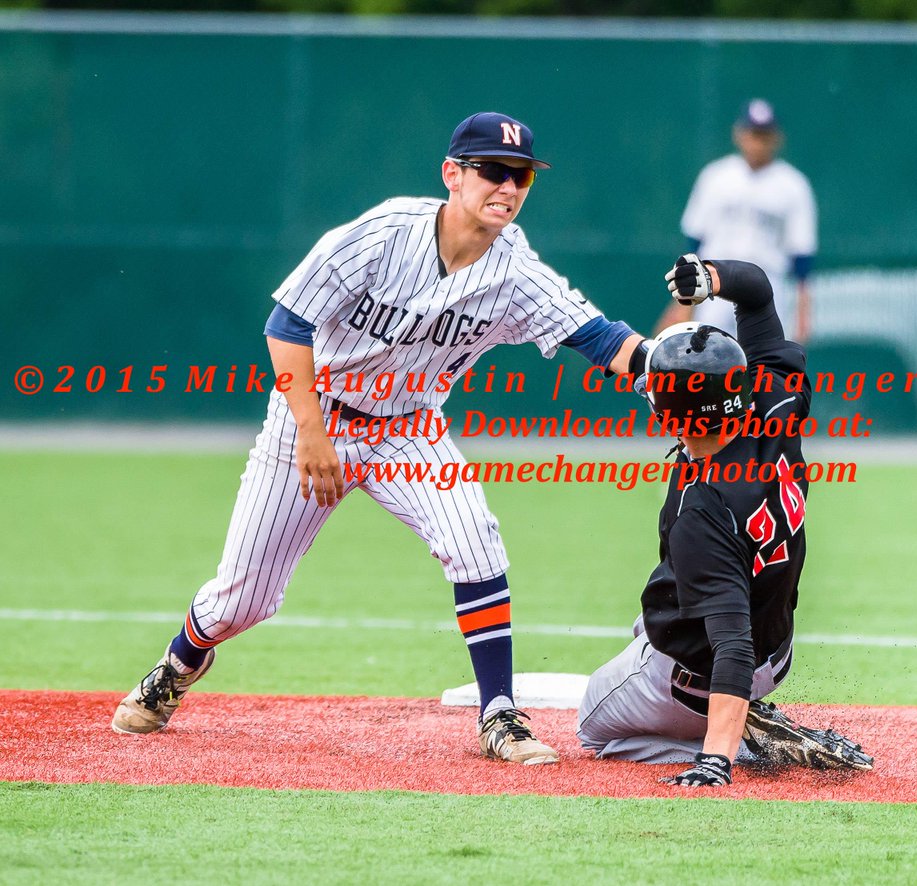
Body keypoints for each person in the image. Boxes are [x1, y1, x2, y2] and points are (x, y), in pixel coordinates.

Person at [111, 112, 650, 766]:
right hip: (315, 414)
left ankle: (499, 715)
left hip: (409, 429)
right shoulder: (383, 235)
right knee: (244, 599)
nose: (507, 186)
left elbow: (597, 337)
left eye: (521, 175)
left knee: (474, 541)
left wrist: (659, 365)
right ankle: (178, 664)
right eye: (491, 170)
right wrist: (311, 430)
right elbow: (287, 323)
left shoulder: (515, 267)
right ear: (453, 174)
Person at [577, 255, 872, 787]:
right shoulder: (776, 401)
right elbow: (757, 291)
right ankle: (733, 715)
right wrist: (710, 277)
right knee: (659, 615)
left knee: (593, 727)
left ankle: (732, 739)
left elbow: (730, 646)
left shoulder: (701, 508)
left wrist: (716, 759)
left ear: (669, 417)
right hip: (776, 652)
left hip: (703, 676)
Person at [655, 99, 818, 342]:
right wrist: (681, 301)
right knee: (705, 356)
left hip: (767, 286)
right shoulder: (716, 176)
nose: (757, 142)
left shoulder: (794, 185)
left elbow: (802, 256)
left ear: (777, 138)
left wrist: (804, 311)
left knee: (763, 365)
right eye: (753, 133)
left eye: (764, 134)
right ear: (738, 134)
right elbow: (694, 243)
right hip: (712, 282)